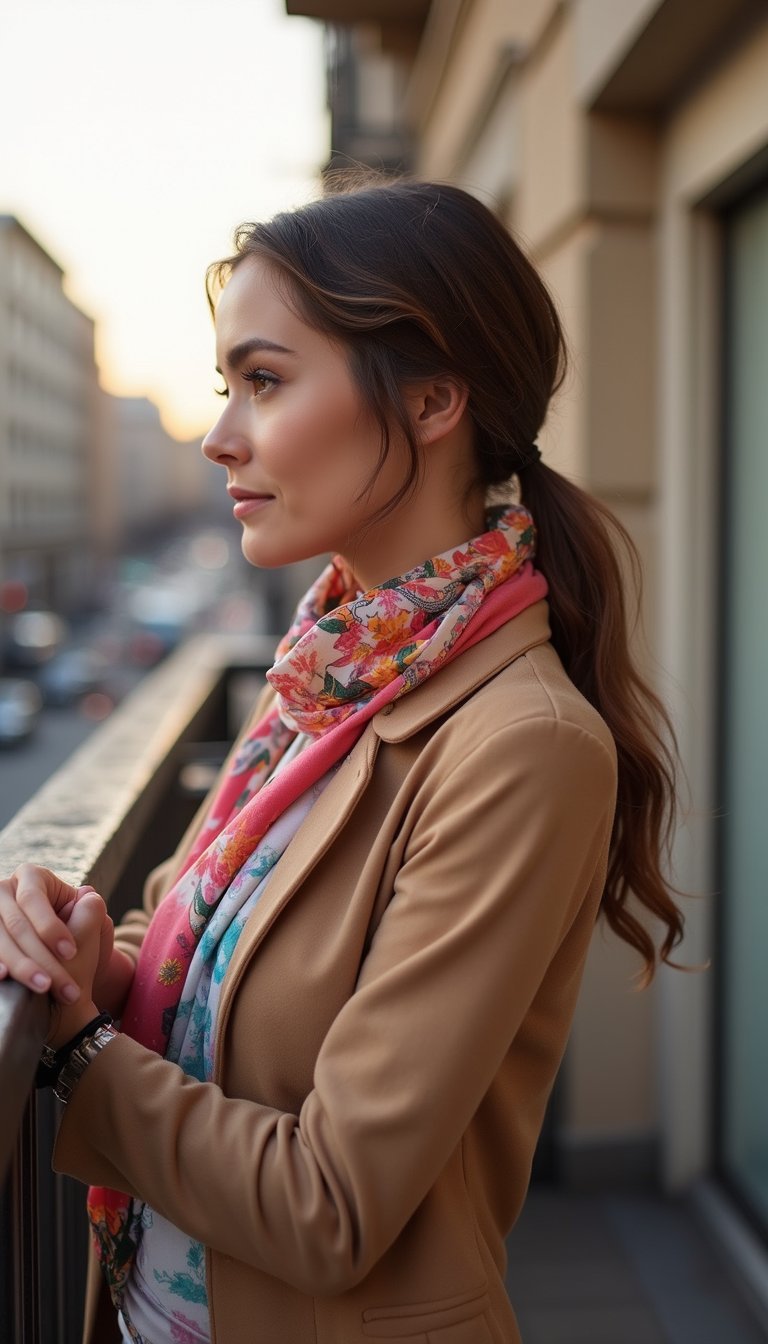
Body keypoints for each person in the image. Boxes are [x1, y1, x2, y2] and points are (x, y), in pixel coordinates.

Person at [0, 177, 684, 1344]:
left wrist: (74, 1053)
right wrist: (92, 962)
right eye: (228, 388)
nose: (222, 434)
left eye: (263, 382)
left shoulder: (525, 748)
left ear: (430, 401)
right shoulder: (332, 665)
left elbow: (334, 1204)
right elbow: (207, 960)